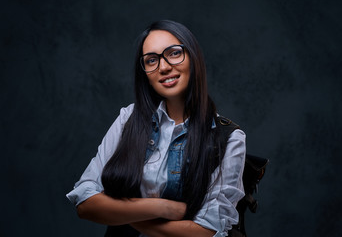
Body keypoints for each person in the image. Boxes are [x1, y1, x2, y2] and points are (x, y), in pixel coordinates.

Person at [66, 20, 246, 237]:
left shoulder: (228, 137)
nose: (163, 67)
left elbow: (207, 231)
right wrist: (164, 208)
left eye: (173, 53)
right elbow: (85, 203)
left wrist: (124, 214)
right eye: (151, 60)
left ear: (193, 58)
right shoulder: (128, 119)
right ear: (145, 73)